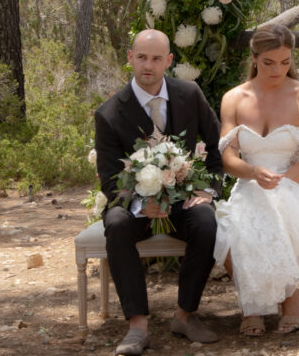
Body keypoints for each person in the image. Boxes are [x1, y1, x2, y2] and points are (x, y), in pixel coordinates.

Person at [213, 23, 299, 336]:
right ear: (254, 58)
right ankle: (254, 306)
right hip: (250, 182)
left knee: (277, 208)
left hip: (298, 181)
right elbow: (228, 159)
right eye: (269, 63)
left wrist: (282, 183)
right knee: (232, 228)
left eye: (285, 62)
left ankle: (288, 303)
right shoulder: (233, 98)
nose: (278, 70)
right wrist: (253, 173)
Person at [95, 29, 223, 356]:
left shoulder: (190, 94)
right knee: (117, 222)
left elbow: (217, 146)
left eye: (155, 58)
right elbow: (110, 179)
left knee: (206, 221)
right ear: (130, 58)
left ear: (169, 60)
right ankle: (137, 326)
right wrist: (141, 205)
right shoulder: (109, 113)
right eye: (141, 57)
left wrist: (209, 190)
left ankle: (185, 315)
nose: (148, 66)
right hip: (136, 205)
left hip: (183, 201)